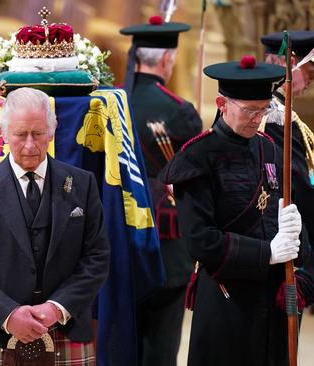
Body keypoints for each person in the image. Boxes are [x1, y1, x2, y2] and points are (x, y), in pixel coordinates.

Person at [160, 56, 314, 365]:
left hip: (271, 296)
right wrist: (266, 253)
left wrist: (297, 245)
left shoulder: (270, 147)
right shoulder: (196, 157)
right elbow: (201, 241)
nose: (257, 119)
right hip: (225, 297)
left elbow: (278, 211)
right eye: (249, 110)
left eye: (263, 109)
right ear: (222, 103)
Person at [0, 87, 110, 365]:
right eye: (20, 135)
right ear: (4, 134)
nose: (30, 145)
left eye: (37, 134)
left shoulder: (83, 184)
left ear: (52, 130)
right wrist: (9, 315)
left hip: (65, 329)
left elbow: (96, 259)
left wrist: (56, 309)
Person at [120, 15, 202, 366]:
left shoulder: (109, 104)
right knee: (162, 342)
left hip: (119, 235)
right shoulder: (178, 111)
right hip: (166, 239)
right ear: (168, 59)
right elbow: (195, 178)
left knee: (123, 337)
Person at [260, 31, 314, 283]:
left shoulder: (269, 107)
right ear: (292, 64)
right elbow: (297, 181)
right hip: (281, 236)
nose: (313, 79)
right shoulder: (274, 115)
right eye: (310, 70)